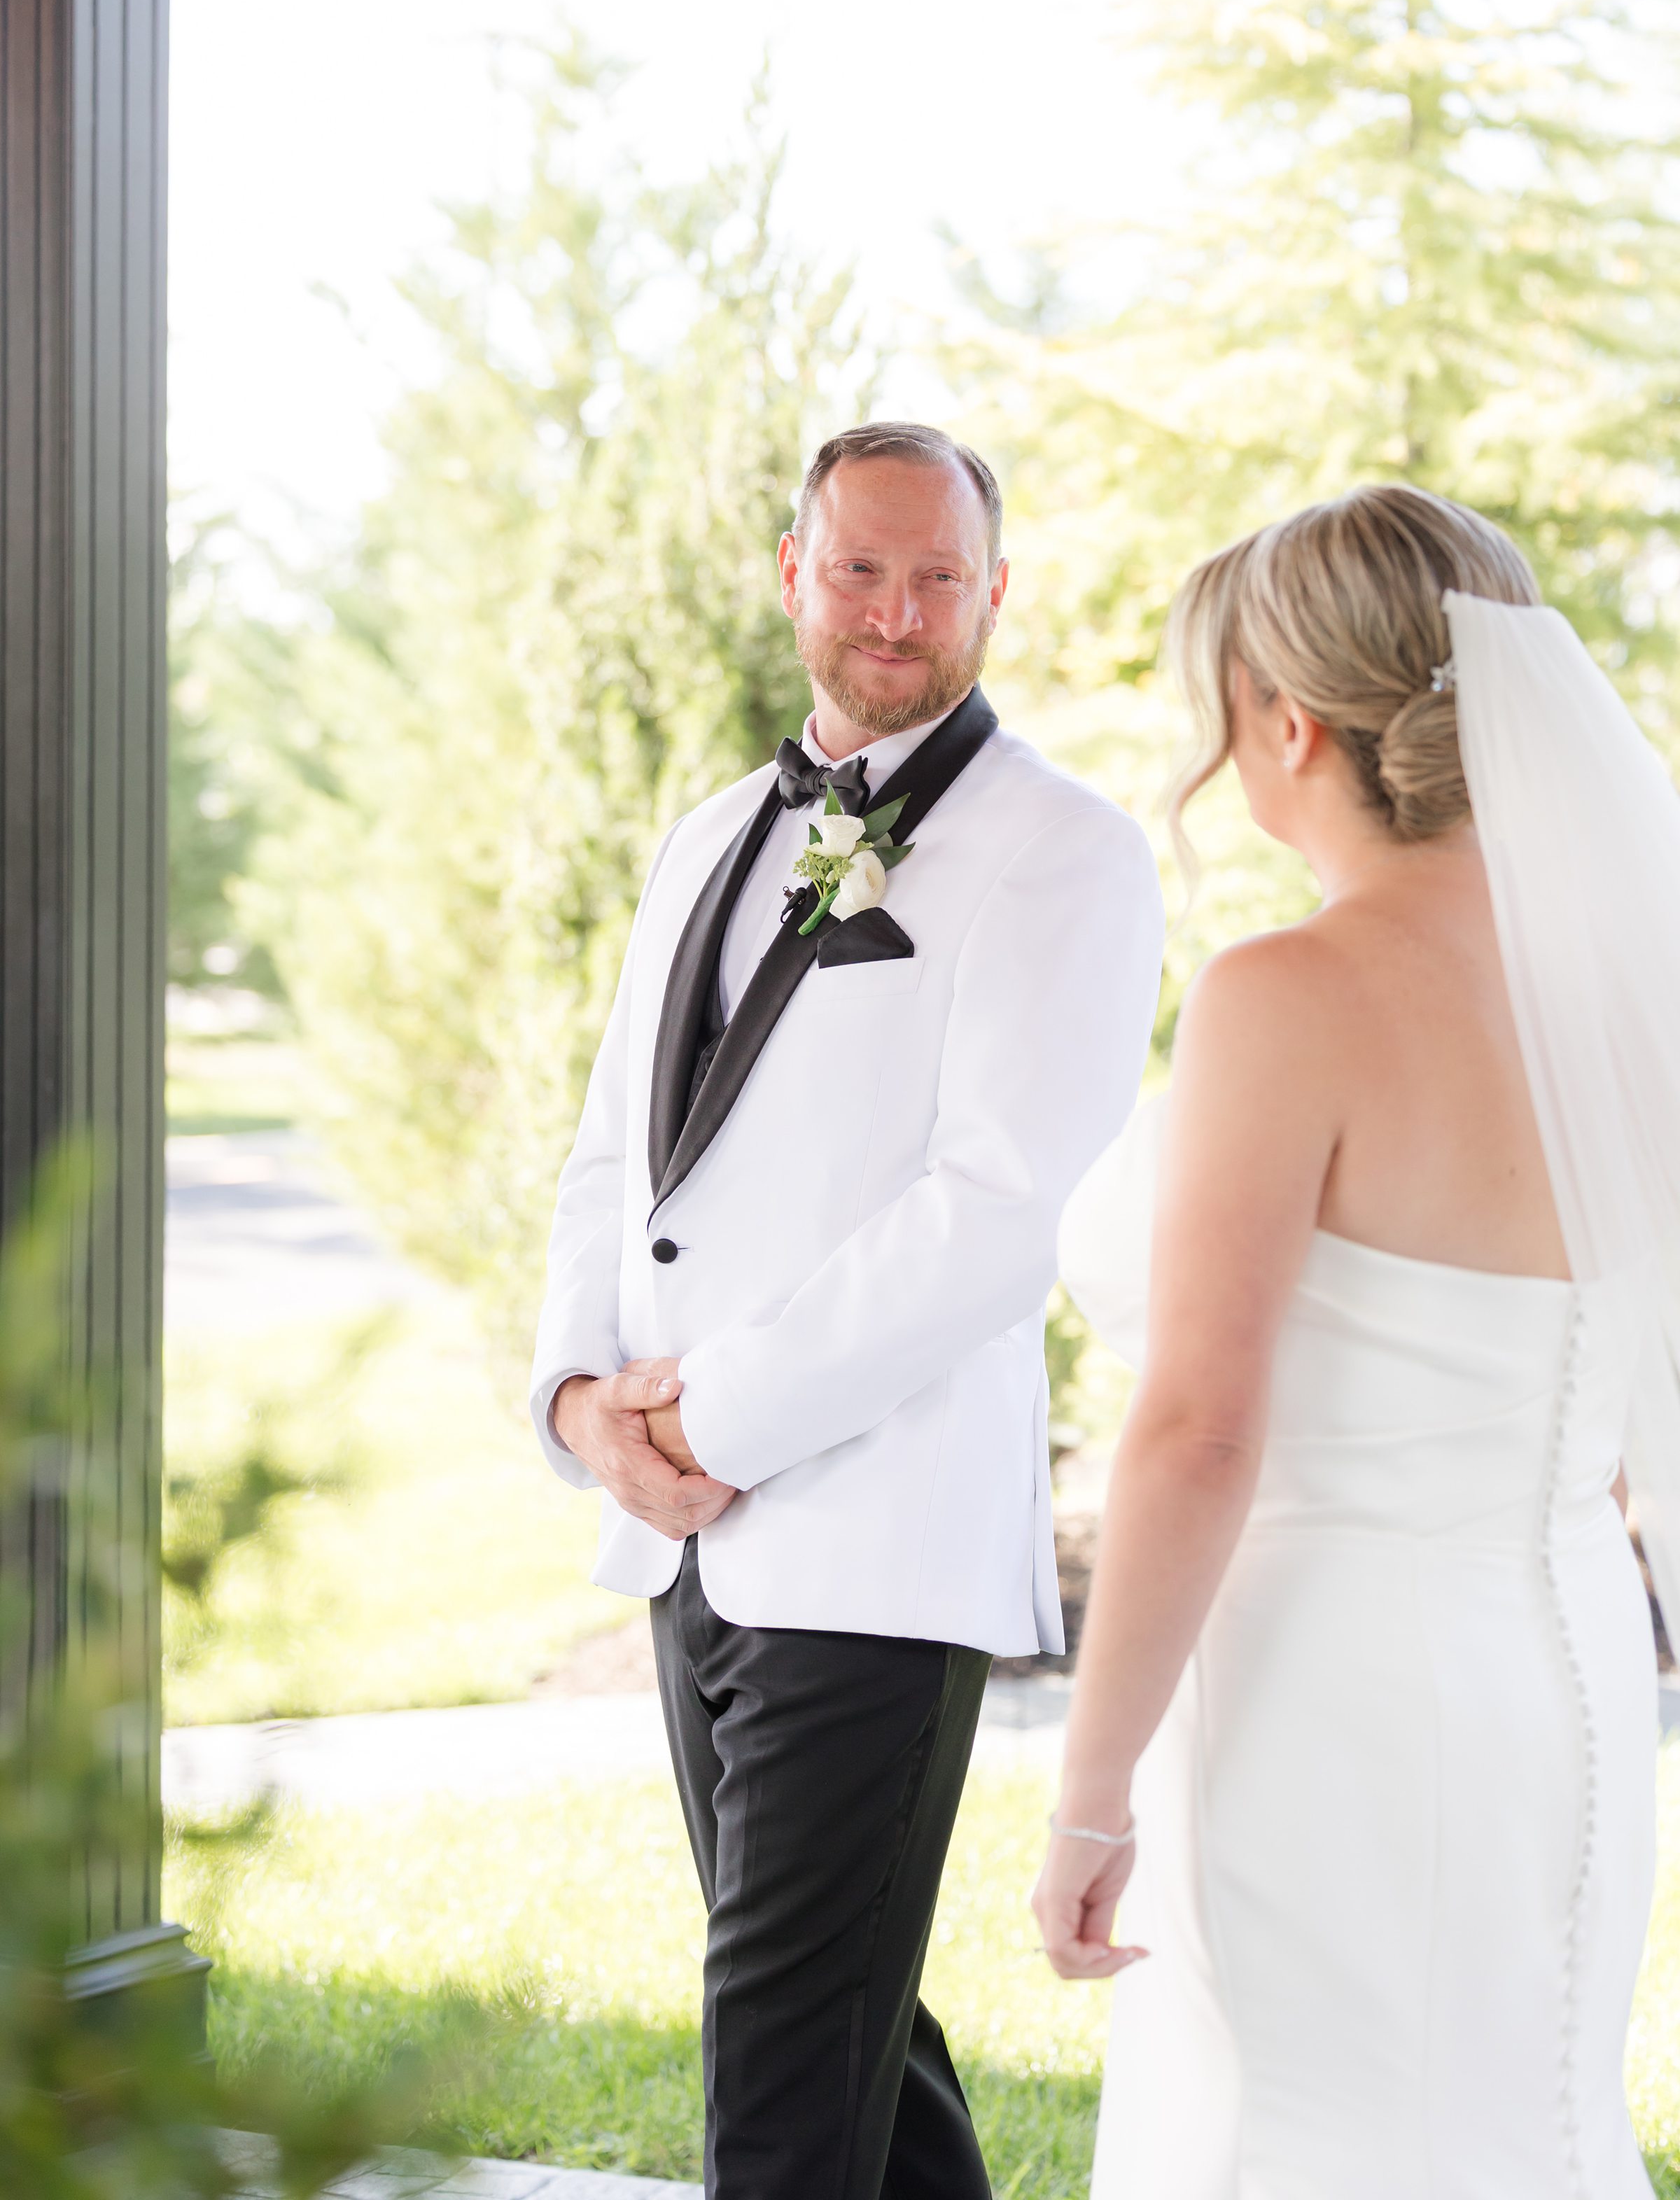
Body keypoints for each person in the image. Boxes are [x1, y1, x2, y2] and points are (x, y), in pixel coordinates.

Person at [530, 421, 1163, 2200]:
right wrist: (582, 1406)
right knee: (853, 2048)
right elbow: (615, 1159)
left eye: (937, 577)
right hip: (684, 1543)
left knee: (783, 2082)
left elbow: (1001, 1209)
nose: (896, 612)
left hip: (877, 1541)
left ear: (995, 592)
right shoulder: (705, 838)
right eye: (863, 570)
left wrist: (709, 1420)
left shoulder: (1065, 851)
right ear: (794, 575)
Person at [1038, 485, 1680, 2198]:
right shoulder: (1631, 993)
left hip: (1333, 1680)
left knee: (1300, 2132)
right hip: (1577, 1666)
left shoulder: (1288, 997)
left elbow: (1199, 1430)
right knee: (1528, 2118)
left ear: (1288, 722)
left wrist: (1090, 1790)